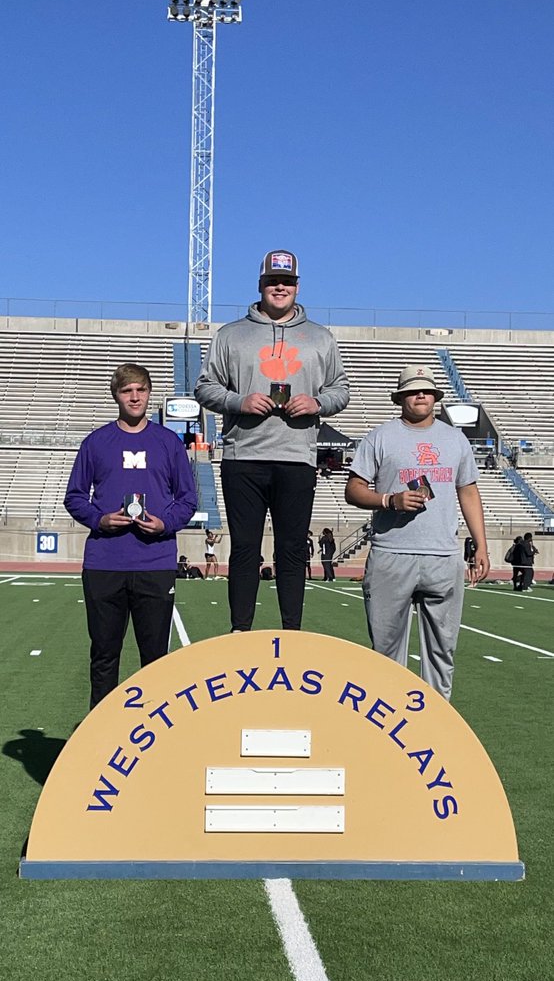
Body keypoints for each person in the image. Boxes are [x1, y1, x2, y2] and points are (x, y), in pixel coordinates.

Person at [194, 250, 349, 631]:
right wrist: (238, 401)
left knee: (292, 550)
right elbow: (204, 387)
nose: (280, 287)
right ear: (261, 284)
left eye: (288, 281)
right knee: (245, 549)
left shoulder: (320, 337)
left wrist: (316, 402)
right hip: (243, 456)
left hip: (297, 457)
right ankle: (239, 630)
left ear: (297, 286)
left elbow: (341, 390)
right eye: (273, 281)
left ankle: (291, 630)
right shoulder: (230, 335)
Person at [344, 364, 489, 702]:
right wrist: (389, 499)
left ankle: (436, 725)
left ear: (436, 397)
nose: (420, 395)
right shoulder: (379, 437)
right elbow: (353, 489)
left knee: (443, 652)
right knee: (386, 651)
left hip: (444, 556)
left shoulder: (455, 439)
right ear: (401, 398)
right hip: (392, 553)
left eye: (426, 390)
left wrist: (480, 545)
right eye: (412, 390)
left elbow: (468, 491)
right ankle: (388, 725)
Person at [64, 364, 197, 708]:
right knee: (104, 655)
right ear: (116, 396)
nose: (134, 397)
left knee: (155, 659)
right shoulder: (95, 442)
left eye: (140, 389)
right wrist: (100, 519)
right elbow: (75, 496)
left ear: (150, 393)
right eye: (127, 391)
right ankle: (103, 739)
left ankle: (153, 741)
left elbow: (187, 500)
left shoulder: (168, 443)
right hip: (105, 563)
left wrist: (164, 524)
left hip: (155, 563)